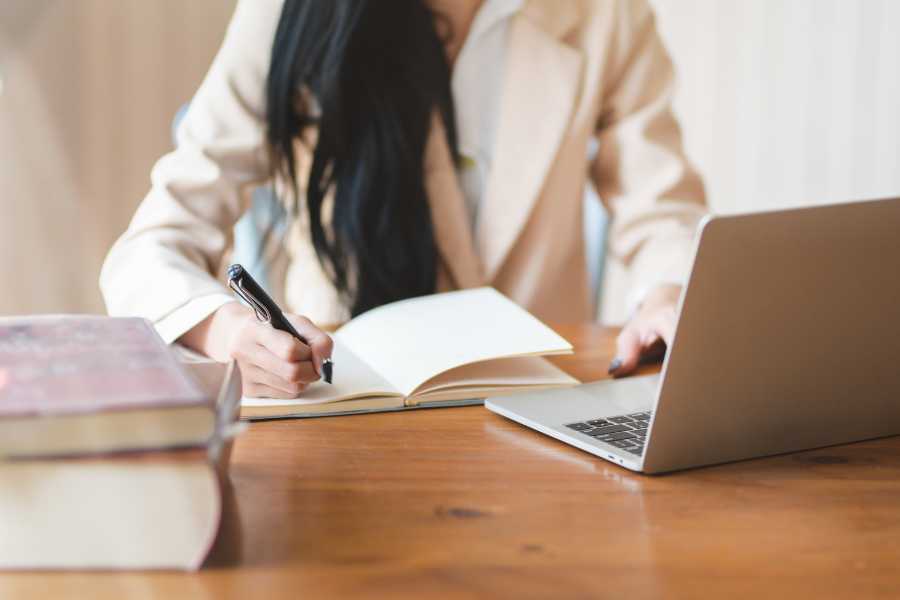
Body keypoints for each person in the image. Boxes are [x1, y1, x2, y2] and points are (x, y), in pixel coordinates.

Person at [100, 0, 707, 399]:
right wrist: (227, 331)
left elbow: (661, 212)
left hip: (539, 405)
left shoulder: (606, 13)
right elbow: (151, 248)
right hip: (348, 404)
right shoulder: (288, 14)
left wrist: (665, 294)